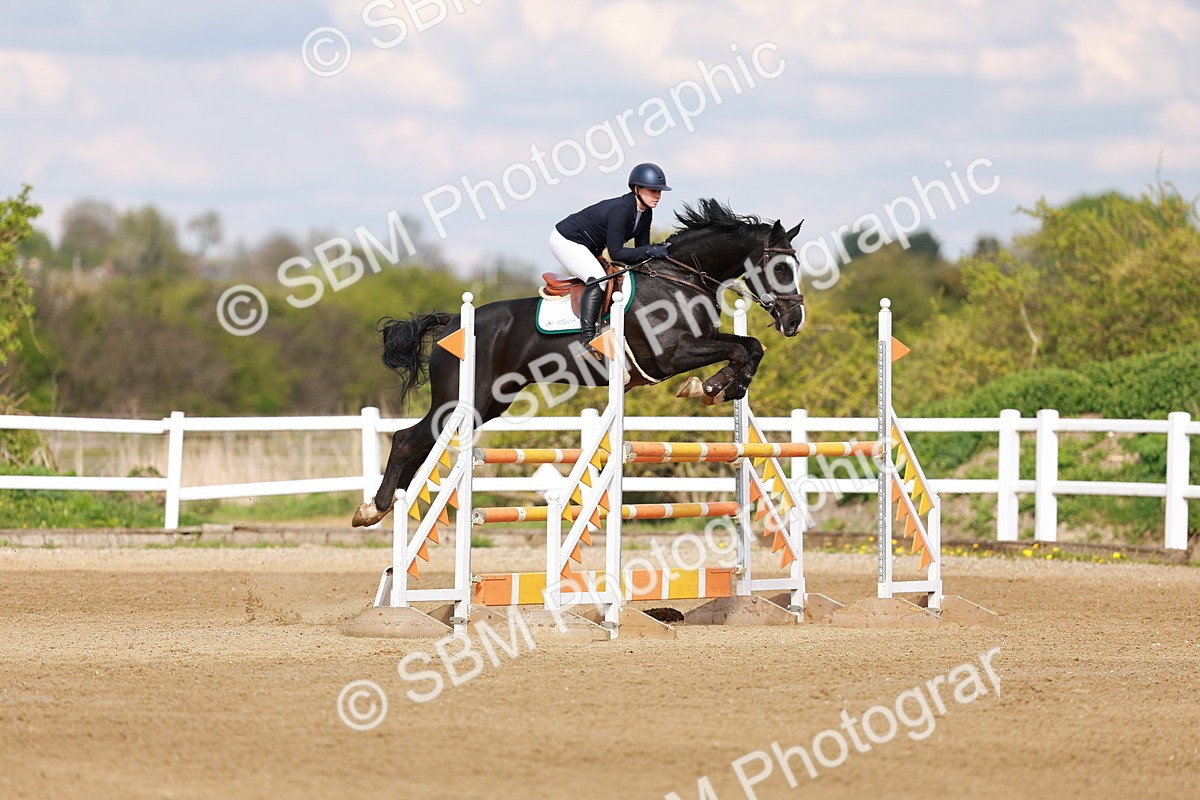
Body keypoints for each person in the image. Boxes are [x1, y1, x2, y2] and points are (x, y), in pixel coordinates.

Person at [550, 162, 672, 357]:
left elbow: (641, 249)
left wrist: (656, 252)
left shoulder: (646, 212)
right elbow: (616, 253)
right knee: (599, 278)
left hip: (589, 245)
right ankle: (587, 339)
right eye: (653, 190)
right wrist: (650, 251)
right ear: (636, 189)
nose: (657, 195)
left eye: (659, 191)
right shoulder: (621, 210)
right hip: (566, 240)